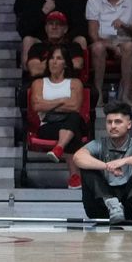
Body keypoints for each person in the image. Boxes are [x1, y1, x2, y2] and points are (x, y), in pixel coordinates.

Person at [72, 101, 132, 224]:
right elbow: (78, 157)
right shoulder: (98, 144)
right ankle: (112, 204)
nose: (113, 126)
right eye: (109, 122)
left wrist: (124, 161)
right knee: (87, 166)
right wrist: (106, 166)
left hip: (130, 207)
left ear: (129, 124)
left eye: (118, 122)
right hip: (103, 207)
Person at [33, 46, 87, 188]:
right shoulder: (39, 83)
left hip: (71, 120)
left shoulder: (75, 83)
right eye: (51, 58)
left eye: (58, 58)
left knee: (74, 117)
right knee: (74, 128)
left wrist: (49, 104)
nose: (54, 62)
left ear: (66, 63)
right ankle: (75, 176)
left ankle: (59, 148)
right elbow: (37, 106)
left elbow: (75, 106)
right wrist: (62, 100)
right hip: (47, 126)